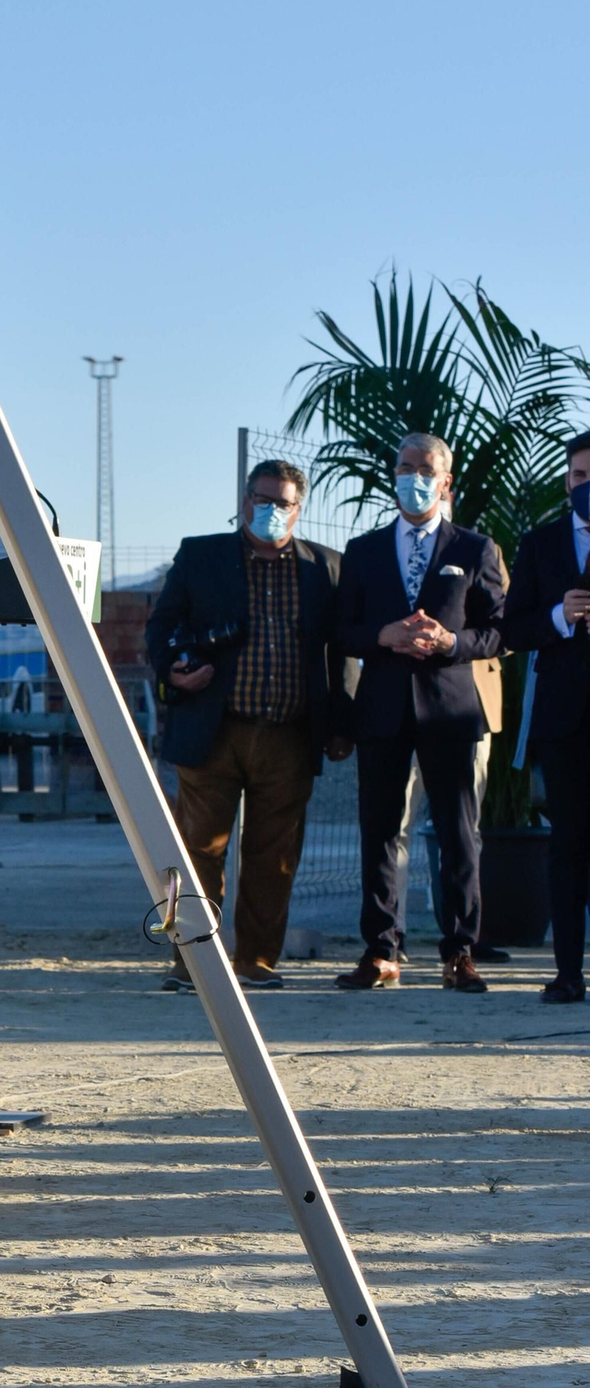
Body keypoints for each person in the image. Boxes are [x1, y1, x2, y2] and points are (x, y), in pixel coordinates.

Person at [146, 459, 352, 991]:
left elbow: (339, 650)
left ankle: (256, 960)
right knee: (196, 851)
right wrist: (174, 669)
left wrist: (340, 722)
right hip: (213, 729)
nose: (271, 511)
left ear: (298, 509)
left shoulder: (323, 568)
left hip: (288, 732)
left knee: (274, 857)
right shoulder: (202, 555)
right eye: (262, 500)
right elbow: (162, 625)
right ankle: (191, 961)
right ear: (244, 502)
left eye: (283, 503)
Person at [334, 433, 506, 994]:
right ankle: (382, 950)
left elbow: (499, 631)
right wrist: (381, 636)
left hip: (452, 712)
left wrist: (450, 642)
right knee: (381, 832)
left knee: (460, 835)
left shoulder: (475, 550)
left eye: (425, 468)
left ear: (446, 481)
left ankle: (459, 953)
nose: (414, 476)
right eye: (405, 466)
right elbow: (341, 631)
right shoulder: (363, 551)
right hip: (382, 711)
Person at [500, 429, 590, 1002]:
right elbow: (512, 629)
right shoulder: (540, 543)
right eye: (582, 477)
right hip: (566, 720)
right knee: (569, 846)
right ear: (567, 482)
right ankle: (566, 972)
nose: (589, 487)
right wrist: (559, 615)